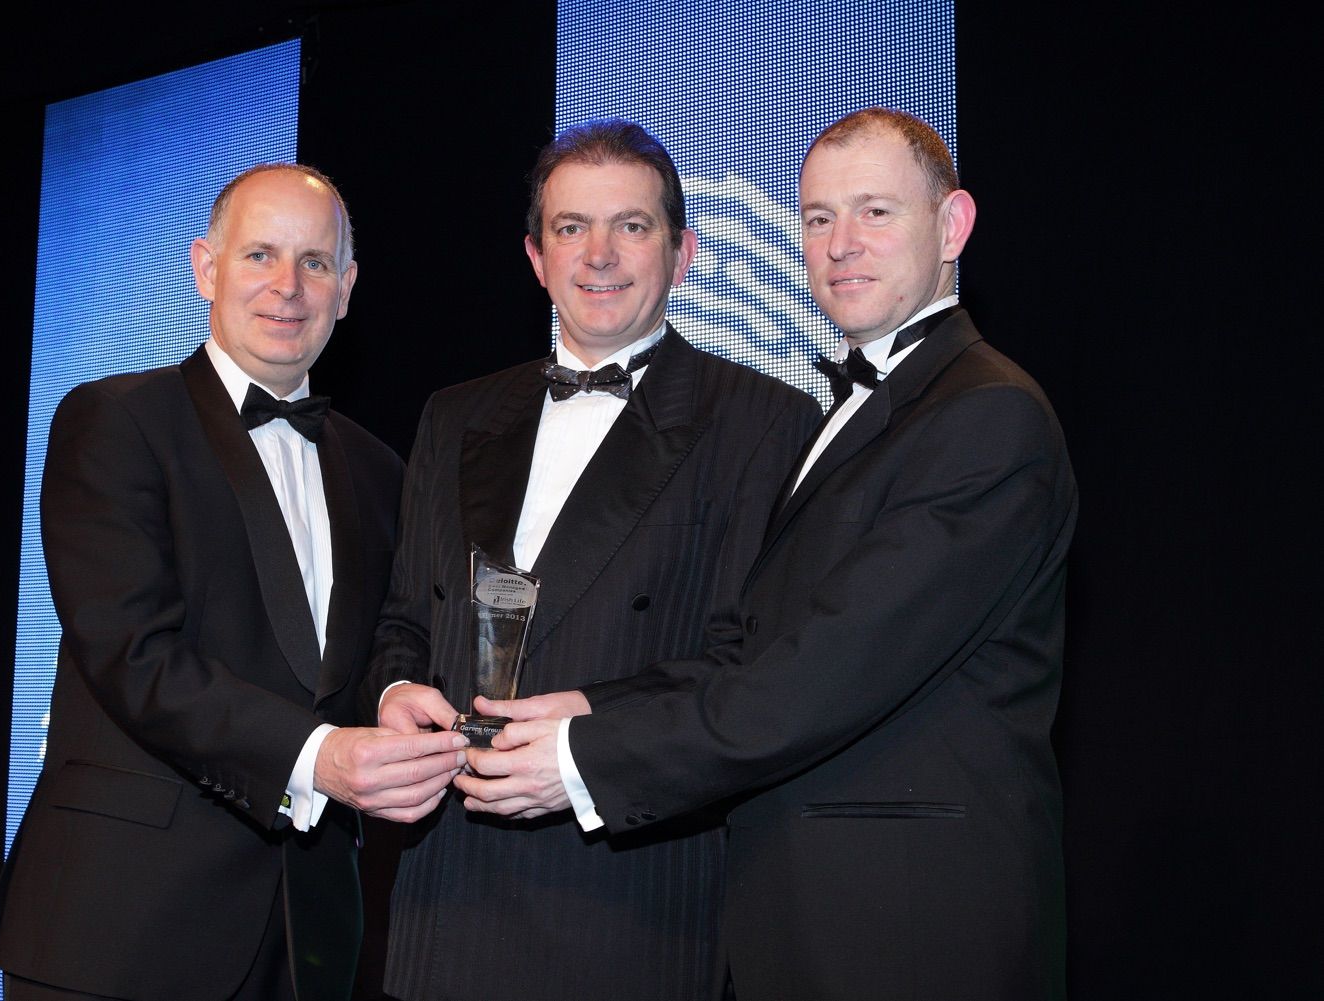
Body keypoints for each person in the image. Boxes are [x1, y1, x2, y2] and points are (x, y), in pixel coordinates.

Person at [460, 107, 1078, 1001]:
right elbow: (755, 644)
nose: (840, 244)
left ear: (953, 226)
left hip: (912, 927)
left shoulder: (987, 416)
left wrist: (582, 756)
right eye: (819, 217)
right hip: (813, 916)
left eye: (875, 212)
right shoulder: (855, 411)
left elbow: (820, 675)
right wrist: (595, 700)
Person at [365, 119, 820, 1001]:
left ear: (682, 252)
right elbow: (403, 620)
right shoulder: (454, 414)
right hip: (445, 898)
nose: (599, 254)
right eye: (572, 227)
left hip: (629, 900)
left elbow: (751, 669)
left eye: (633, 226)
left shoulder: (766, 422)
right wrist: (392, 695)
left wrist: (582, 729)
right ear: (536, 256)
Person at [0, 164, 468, 1001]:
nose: (288, 287)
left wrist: (392, 692)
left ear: (347, 288)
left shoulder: (380, 468)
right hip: (120, 928)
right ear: (206, 268)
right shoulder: (113, 421)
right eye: (259, 255)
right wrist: (322, 756)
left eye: (316, 262)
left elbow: (364, 657)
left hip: (307, 936)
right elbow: (134, 655)